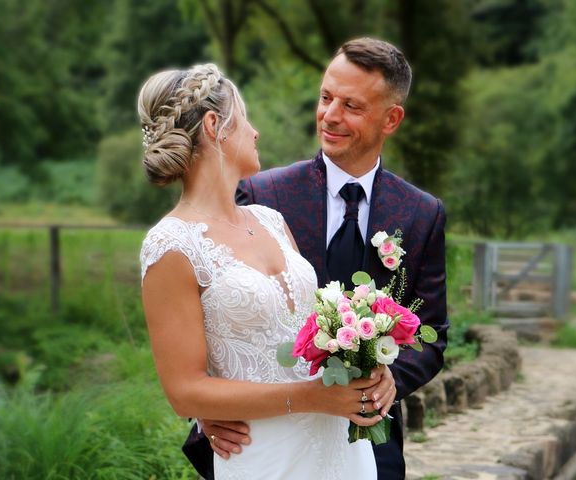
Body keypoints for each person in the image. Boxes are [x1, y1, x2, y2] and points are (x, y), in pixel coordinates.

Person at [188, 38, 449, 480]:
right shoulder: (262, 194)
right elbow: (213, 311)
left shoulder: (421, 213)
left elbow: (432, 333)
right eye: (326, 97)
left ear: (392, 118)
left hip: (370, 437)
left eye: (351, 105)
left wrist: (391, 378)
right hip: (264, 438)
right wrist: (206, 410)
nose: (329, 116)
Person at [138, 63, 397, 479]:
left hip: (340, 446)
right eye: (244, 120)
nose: (255, 132)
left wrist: (368, 363)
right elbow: (185, 392)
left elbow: (314, 331)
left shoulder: (271, 221)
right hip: (264, 454)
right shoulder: (171, 246)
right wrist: (311, 398)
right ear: (213, 126)